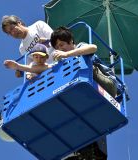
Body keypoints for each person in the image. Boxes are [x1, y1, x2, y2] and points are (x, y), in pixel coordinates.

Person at [50, 27, 118, 160]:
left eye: (62, 44)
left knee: (83, 64)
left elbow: (93, 47)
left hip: (105, 83)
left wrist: (67, 54)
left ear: (71, 41)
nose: (60, 48)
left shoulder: (79, 47)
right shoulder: (65, 61)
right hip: (86, 92)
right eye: (57, 47)